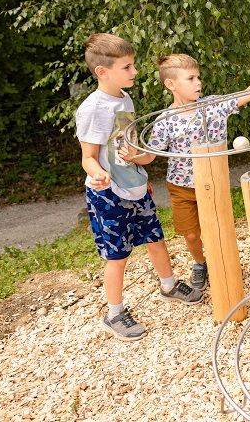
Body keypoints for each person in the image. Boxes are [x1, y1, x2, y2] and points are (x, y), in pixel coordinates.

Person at [75, 33, 202, 343]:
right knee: (117, 255)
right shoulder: (92, 108)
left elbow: (126, 146)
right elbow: (88, 158)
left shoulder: (124, 98)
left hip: (134, 188)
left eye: (132, 65)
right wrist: (100, 175)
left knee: (155, 239)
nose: (134, 72)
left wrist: (140, 178)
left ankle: (168, 285)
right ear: (102, 72)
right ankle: (114, 313)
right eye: (127, 67)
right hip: (108, 194)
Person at [139, 54, 250, 291]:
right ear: (171, 84)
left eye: (198, 77)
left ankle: (225, 264)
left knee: (219, 229)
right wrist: (132, 158)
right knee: (191, 235)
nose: (198, 82)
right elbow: (150, 155)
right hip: (181, 187)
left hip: (213, 182)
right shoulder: (164, 121)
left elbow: (247, 93)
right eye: (190, 78)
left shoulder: (213, 105)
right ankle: (200, 263)